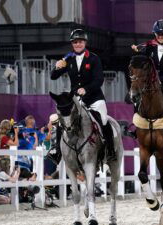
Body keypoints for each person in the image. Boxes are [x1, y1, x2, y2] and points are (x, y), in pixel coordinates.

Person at [50, 28, 116, 162]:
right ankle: (57, 150)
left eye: (80, 42)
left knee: (103, 119)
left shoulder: (93, 58)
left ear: (85, 42)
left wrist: (86, 89)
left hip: (95, 98)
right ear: (72, 44)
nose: (77, 44)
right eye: (75, 42)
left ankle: (110, 151)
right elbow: (53, 77)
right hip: (77, 100)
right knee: (62, 118)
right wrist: (56, 67)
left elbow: (99, 80)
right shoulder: (68, 59)